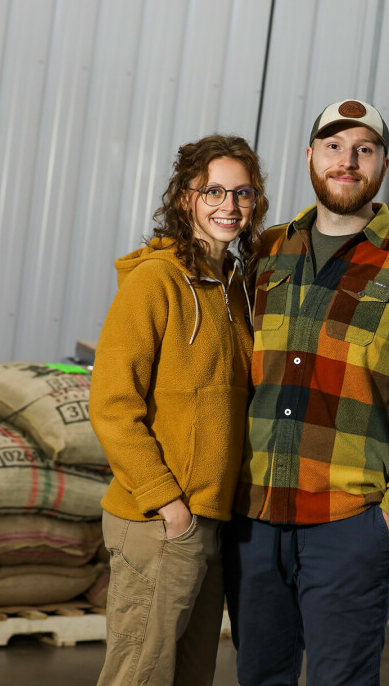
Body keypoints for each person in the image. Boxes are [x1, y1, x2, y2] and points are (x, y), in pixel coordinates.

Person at [224, 99, 389, 685]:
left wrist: (388, 520)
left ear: (383, 165)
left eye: (364, 149)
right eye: (333, 147)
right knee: (258, 677)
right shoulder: (265, 252)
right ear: (310, 158)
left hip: (349, 524)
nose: (347, 162)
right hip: (254, 521)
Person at [89, 134, 267, 686]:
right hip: (160, 521)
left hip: (209, 520)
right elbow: (113, 403)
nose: (229, 206)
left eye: (243, 193)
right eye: (213, 190)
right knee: (139, 674)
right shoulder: (155, 282)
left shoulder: (235, 288)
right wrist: (167, 504)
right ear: (185, 197)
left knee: (190, 675)